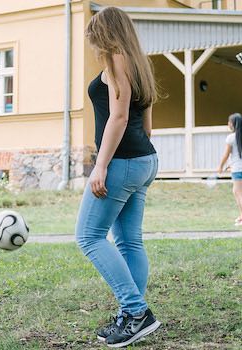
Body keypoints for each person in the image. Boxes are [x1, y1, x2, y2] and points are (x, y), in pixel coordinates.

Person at [75, 7, 161, 347]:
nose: (94, 47)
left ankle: (136, 311)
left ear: (105, 35)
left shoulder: (116, 59)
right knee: (129, 241)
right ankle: (131, 318)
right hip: (144, 159)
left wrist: (101, 165)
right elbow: (148, 125)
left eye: (95, 39)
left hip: (123, 161)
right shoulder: (141, 62)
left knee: (88, 236)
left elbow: (120, 116)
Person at [216, 113, 242, 226]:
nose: (228, 124)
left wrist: (220, 166)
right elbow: (240, 155)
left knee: (241, 194)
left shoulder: (231, 138)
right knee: (236, 192)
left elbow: (226, 154)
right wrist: (232, 164)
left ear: (233, 124)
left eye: (229, 122)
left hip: (239, 170)